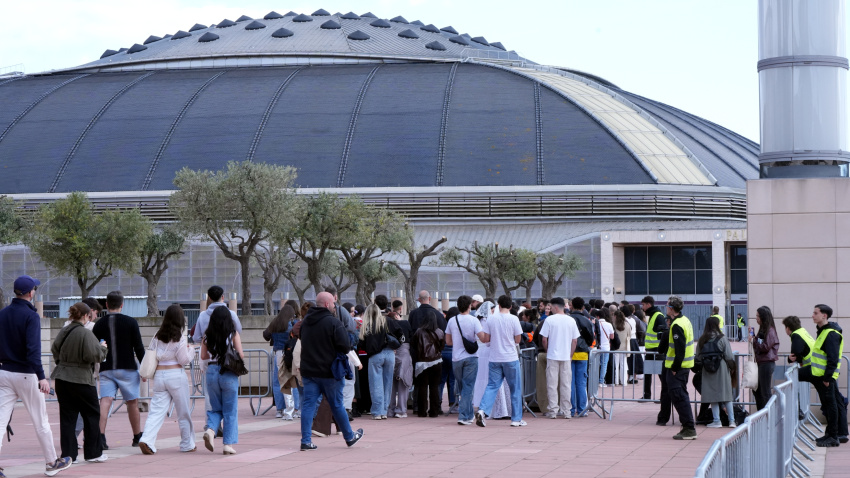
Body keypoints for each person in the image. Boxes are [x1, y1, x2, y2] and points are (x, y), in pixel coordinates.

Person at [0, 275, 71, 476]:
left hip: (4, 372)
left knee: (0, 421)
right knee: (40, 421)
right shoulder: (31, 316)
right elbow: (33, 350)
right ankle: (51, 462)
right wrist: (42, 377)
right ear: (31, 293)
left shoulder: (2, 314)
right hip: (26, 374)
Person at [298, 292, 363, 451]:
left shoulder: (305, 322)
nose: (335, 306)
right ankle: (349, 436)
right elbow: (345, 345)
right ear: (327, 304)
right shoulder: (333, 323)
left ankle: (306, 441)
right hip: (330, 372)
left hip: (309, 371)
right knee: (337, 404)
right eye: (334, 303)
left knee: (308, 405)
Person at [52, 301, 108, 464]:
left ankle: (69, 455)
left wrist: (63, 362)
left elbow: (55, 349)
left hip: (62, 377)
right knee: (91, 414)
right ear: (86, 316)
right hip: (82, 378)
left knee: (67, 417)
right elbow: (94, 355)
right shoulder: (85, 333)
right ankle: (93, 453)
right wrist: (103, 347)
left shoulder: (64, 330)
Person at [138, 305, 195, 455]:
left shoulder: (158, 335)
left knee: (156, 411)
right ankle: (187, 443)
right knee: (183, 412)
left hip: (159, 376)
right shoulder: (180, 337)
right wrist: (192, 350)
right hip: (176, 374)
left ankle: (147, 439)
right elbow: (183, 360)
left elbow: (150, 353)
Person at [92, 291, 145, 450]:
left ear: (106, 305)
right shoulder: (131, 322)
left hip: (107, 368)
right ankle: (137, 436)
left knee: (105, 401)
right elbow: (139, 348)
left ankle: (100, 437)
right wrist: (145, 369)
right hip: (127, 367)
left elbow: (95, 347)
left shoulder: (99, 324)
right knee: (132, 402)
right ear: (122, 304)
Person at [475, 295, 526, 428]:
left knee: (492, 386)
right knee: (515, 388)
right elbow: (518, 339)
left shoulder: (491, 319)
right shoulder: (514, 319)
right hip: (510, 357)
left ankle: (482, 410)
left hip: (494, 357)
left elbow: (485, 338)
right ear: (510, 306)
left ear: (498, 305)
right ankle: (516, 419)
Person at [200, 306, 243, 455]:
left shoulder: (207, 335)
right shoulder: (233, 334)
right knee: (230, 410)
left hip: (212, 371)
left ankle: (211, 430)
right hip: (228, 372)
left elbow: (203, 356)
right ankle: (228, 444)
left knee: (215, 408)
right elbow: (241, 355)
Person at [809, 304, 847, 447]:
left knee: (831, 406)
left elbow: (832, 358)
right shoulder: (823, 331)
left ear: (824, 315)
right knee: (830, 405)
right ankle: (830, 434)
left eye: (815, 313)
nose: (812, 315)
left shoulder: (830, 333)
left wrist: (827, 378)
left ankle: (833, 437)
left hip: (827, 377)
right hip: (823, 376)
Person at [445, 296, 485, 425]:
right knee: (468, 386)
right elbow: (483, 338)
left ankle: (468, 415)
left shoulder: (452, 320)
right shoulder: (474, 320)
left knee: (462, 386)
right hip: (471, 357)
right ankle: (463, 416)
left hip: (456, 357)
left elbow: (448, 341)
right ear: (469, 306)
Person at [358, 303, 402, 419]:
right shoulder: (388, 321)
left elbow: (361, 343)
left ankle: (377, 411)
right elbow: (401, 334)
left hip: (375, 355)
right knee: (388, 384)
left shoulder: (367, 325)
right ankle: (384, 411)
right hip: (390, 353)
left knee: (375, 384)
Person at [539, 297, 579, 419]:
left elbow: (544, 339)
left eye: (551, 307)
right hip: (566, 356)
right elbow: (574, 341)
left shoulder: (549, 320)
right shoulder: (571, 320)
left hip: (552, 355)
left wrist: (548, 350)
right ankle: (567, 411)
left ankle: (553, 410)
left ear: (555, 307)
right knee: (566, 384)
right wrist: (571, 354)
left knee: (551, 384)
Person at [664, 296, 697, 440]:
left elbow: (680, 349)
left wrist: (675, 367)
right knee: (681, 395)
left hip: (678, 367)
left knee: (679, 396)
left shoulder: (677, 324)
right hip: (684, 366)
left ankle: (689, 428)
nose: (666, 308)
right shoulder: (685, 321)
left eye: (667, 306)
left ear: (671, 308)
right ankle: (687, 427)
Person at [695, 316, 735, 428]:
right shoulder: (722, 338)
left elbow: (698, 356)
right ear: (717, 325)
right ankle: (732, 420)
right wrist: (732, 368)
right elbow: (729, 356)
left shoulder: (702, 339)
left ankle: (717, 421)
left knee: (712, 395)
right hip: (721, 367)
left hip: (707, 369)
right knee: (726, 394)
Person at [473, 301, 511, 419]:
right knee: (492, 380)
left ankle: (482, 406)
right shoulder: (490, 321)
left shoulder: (478, 321)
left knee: (485, 379)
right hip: (488, 351)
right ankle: (495, 409)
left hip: (481, 351)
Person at [264, 306, 296, 419]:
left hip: (277, 352)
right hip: (288, 353)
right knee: (289, 380)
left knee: (278, 381)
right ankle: (290, 410)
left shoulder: (275, 324)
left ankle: (279, 409)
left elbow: (266, 335)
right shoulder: (290, 325)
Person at [412, 310, 445, 417]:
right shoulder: (439, 332)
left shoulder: (418, 332)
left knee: (422, 387)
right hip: (436, 361)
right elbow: (441, 346)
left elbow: (414, 345)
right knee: (434, 387)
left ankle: (422, 411)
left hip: (422, 363)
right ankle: (434, 411)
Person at [568, 297, 595, 417]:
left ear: (571, 305)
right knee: (581, 382)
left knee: (570, 382)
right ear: (583, 307)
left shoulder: (568, 319)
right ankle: (581, 409)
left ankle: (571, 408)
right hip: (583, 353)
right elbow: (591, 338)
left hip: (568, 353)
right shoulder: (587, 320)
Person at [641, 295, 670, 406]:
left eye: (643, 305)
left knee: (661, 374)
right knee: (647, 372)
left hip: (657, 350)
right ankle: (646, 395)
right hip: (650, 349)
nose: (642, 307)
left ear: (649, 304)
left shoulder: (658, 316)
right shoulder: (652, 315)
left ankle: (664, 396)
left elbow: (663, 333)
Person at [749, 306, 779, 411]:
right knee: (757, 390)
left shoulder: (770, 330)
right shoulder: (763, 330)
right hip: (762, 363)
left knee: (765, 391)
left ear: (763, 317)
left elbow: (765, 347)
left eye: (758, 316)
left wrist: (753, 340)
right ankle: (761, 414)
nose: (756, 318)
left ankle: (769, 415)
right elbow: (759, 344)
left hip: (766, 363)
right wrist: (753, 337)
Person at [389, 307, 413, 418]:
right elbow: (411, 337)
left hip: (390, 351)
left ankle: (390, 409)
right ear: (397, 316)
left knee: (391, 383)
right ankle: (401, 410)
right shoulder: (405, 323)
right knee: (403, 381)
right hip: (404, 351)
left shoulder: (386, 324)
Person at [594, 309, 614, 388]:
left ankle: (594, 380)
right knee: (604, 364)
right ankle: (601, 381)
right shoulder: (609, 324)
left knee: (595, 365)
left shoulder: (596, 323)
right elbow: (612, 336)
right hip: (606, 347)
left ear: (597, 316)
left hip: (597, 347)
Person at [612, 310, 632, 386]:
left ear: (615, 316)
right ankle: (624, 381)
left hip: (615, 347)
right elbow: (629, 335)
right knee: (623, 365)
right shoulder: (627, 325)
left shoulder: (613, 325)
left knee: (616, 365)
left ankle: (616, 381)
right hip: (624, 347)